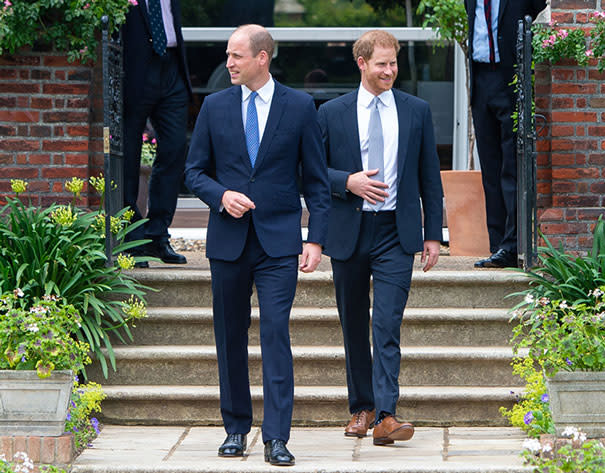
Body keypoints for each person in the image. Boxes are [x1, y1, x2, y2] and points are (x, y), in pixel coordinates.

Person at [184, 25, 330, 466]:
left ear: (262, 58)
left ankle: (277, 437)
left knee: (274, 334)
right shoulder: (213, 106)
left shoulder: (301, 107)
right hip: (227, 242)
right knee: (229, 337)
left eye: (236, 55)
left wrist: (316, 239)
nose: (228, 62)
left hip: (278, 243)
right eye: (228, 55)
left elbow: (317, 183)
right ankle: (235, 428)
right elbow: (193, 172)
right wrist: (220, 196)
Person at [317, 30, 443, 446]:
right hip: (349, 231)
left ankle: (387, 416)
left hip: (395, 231)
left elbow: (429, 176)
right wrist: (347, 181)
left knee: (386, 324)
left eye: (394, 64)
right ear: (362, 63)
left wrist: (432, 234)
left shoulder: (416, 110)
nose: (389, 71)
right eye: (381, 64)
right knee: (354, 324)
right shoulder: (332, 113)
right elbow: (311, 174)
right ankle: (362, 409)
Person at [466, 0, 546, 268]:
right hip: (480, 81)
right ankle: (497, 245)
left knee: (511, 166)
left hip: (509, 79)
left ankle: (512, 246)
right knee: (490, 169)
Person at [122, 0, 192, 268]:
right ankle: (132, 237)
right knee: (129, 156)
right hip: (137, 72)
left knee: (174, 149)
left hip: (171, 67)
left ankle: (157, 233)